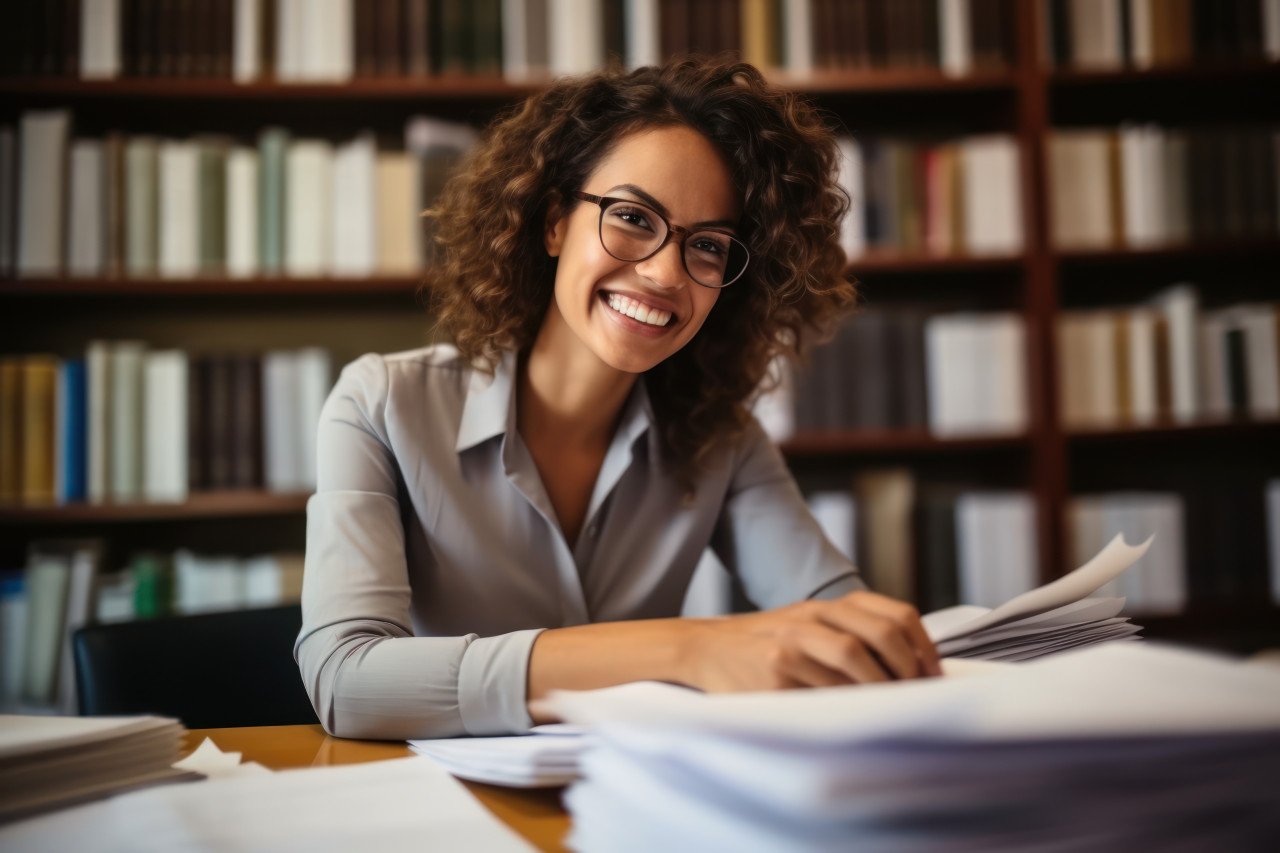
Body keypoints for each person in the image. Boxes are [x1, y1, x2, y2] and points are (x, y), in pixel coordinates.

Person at [295, 56, 942, 741]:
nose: (665, 272)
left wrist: (875, 642)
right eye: (633, 216)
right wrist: (690, 649)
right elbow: (347, 680)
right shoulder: (380, 405)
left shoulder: (724, 438)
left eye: (710, 246)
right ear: (552, 222)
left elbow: (832, 613)